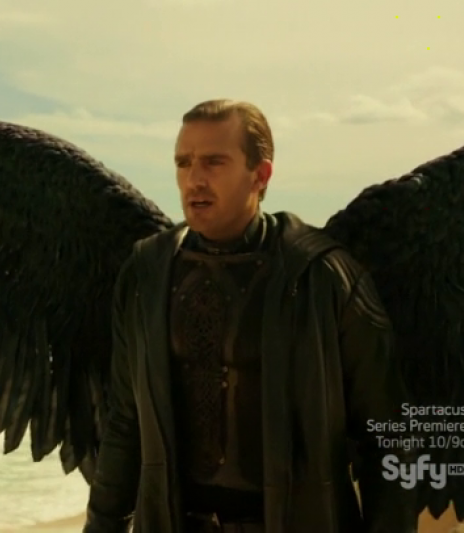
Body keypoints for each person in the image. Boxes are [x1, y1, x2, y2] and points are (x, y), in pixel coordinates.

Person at [82, 99, 419, 532]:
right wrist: (102, 525)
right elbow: (126, 423)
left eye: (214, 162)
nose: (194, 179)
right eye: (183, 163)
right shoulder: (146, 273)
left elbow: (388, 432)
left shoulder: (323, 276)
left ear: (260, 175)